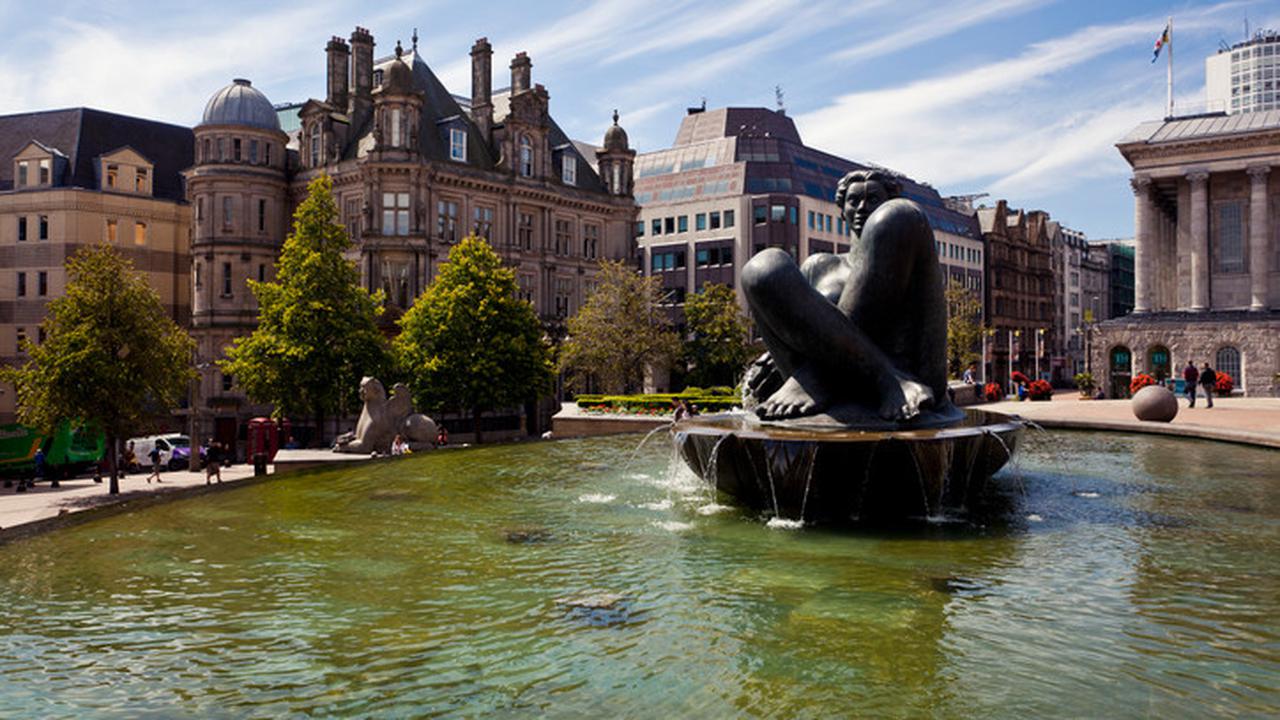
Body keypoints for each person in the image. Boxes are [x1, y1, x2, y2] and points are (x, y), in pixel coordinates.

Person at [741, 169, 947, 421]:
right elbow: (801, 327)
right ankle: (877, 377)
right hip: (820, 386)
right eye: (854, 201)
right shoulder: (819, 265)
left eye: (873, 200)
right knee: (762, 267)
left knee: (900, 216)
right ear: (842, 211)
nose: (862, 207)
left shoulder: (908, 246)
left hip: (910, 376)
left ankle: (837, 378)